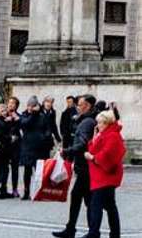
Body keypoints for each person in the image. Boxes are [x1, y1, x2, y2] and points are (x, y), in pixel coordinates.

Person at [52, 96, 98, 238]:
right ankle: (75, 229)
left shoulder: (87, 122)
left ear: (88, 106)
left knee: (87, 200)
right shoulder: (87, 120)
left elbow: (82, 143)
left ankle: (91, 232)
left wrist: (67, 151)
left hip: (85, 168)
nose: (77, 107)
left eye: (80, 105)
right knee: (81, 198)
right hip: (84, 167)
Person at [84, 110, 125, 238]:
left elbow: (107, 154)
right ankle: (114, 233)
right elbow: (93, 148)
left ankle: (94, 233)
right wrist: (94, 138)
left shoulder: (112, 135)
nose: (98, 125)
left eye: (100, 123)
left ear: (107, 123)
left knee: (96, 205)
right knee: (110, 206)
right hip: (101, 175)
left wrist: (92, 158)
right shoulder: (104, 134)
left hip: (106, 175)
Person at [19, 97, 57, 200]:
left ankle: (39, 191)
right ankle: (26, 192)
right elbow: (26, 124)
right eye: (29, 105)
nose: (31, 108)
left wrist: (45, 137)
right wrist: (33, 114)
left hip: (40, 148)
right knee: (27, 171)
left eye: (33, 106)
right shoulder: (24, 115)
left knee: (39, 171)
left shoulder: (42, 116)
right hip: (28, 146)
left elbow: (48, 129)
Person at [0, 101, 19, 199]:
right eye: (2, 111)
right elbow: (0, 135)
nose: (5, 112)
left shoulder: (2, 120)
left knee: (4, 169)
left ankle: (2, 190)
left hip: (3, 149)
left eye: (5, 110)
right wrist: (11, 138)